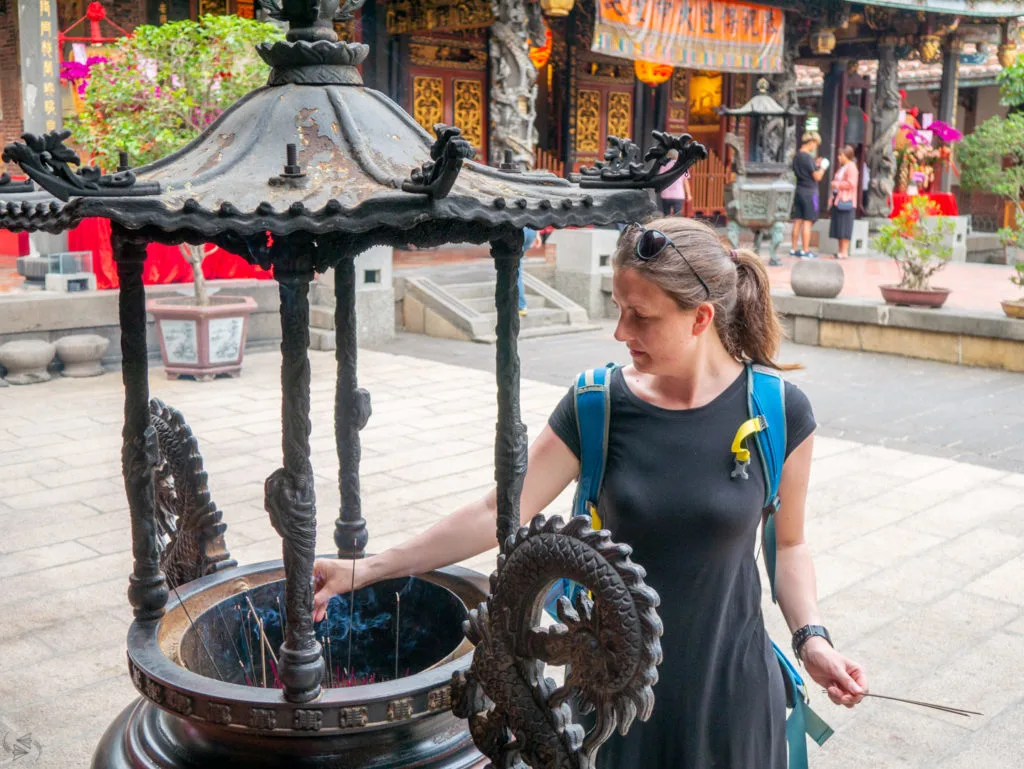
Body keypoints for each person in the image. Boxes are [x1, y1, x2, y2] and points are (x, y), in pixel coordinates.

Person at [312, 216, 867, 769]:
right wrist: (367, 569)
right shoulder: (596, 406)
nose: (621, 332)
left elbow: (789, 545)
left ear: (701, 318)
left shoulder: (777, 411)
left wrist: (811, 637)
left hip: (733, 701)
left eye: (640, 316)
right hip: (610, 711)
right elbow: (496, 511)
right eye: (618, 307)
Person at [790, 131, 828, 259]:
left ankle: (794, 248)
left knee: (798, 221)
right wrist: (822, 167)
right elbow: (817, 176)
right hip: (810, 192)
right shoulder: (807, 157)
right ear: (811, 143)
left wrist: (815, 165)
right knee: (808, 221)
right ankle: (806, 250)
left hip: (799, 189)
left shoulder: (797, 156)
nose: (815, 147)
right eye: (815, 144)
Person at [829, 146, 859, 259]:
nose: (838, 157)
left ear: (846, 156)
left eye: (840, 155)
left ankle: (844, 251)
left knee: (845, 225)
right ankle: (840, 250)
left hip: (846, 199)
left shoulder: (851, 167)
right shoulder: (842, 167)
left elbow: (852, 183)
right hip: (838, 198)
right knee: (839, 225)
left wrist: (837, 185)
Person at [659, 149, 692, 216]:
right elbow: (685, 181)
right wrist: (688, 194)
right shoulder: (683, 165)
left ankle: (666, 226)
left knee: (666, 215)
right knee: (677, 216)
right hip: (678, 195)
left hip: (666, 194)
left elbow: (660, 179)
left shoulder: (663, 165)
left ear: (668, 156)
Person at [518, 227, 541, 316]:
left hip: (518, 229)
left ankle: (521, 305)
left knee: (515, 269)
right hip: (531, 230)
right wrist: (537, 234)